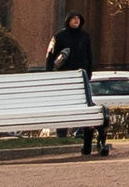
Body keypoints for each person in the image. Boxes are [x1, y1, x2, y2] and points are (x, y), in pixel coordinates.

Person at [44, 12, 104, 156]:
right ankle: (62, 132)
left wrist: (89, 72)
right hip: (64, 77)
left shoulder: (85, 36)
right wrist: (50, 73)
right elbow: (50, 55)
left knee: (83, 104)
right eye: (73, 18)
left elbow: (89, 55)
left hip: (81, 76)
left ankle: (81, 131)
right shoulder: (59, 36)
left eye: (78, 19)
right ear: (68, 21)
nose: (76, 21)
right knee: (63, 104)